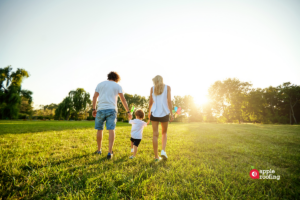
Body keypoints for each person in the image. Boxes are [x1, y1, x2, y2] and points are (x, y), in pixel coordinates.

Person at [92, 71, 132, 159]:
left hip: (100, 109)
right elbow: (123, 100)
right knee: (111, 130)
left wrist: (94, 109)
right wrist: (128, 111)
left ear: (108, 77)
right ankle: (109, 152)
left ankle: (99, 150)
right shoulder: (117, 86)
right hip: (112, 110)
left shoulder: (100, 84)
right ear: (117, 78)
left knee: (99, 130)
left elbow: (94, 97)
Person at [148, 75, 173, 162]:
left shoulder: (152, 88)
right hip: (165, 112)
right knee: (164, 133)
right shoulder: (168, 87)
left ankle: (156, 157)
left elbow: (151, 102)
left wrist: (148, 112)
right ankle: (163, 150)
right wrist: (172, 113)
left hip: (154, 112)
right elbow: (169, 101)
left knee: (155, 134)